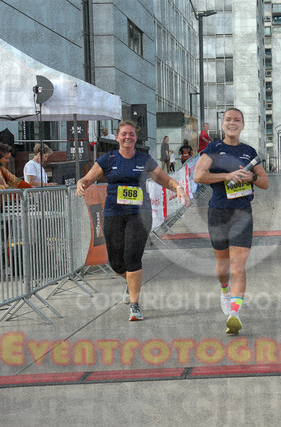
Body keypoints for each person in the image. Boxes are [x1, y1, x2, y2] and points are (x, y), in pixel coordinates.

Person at [76, 121, 190, 321]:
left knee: (132, 257)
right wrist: (81, 183)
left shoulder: (144, 159)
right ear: (117, 137)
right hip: (113, 213)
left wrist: (178, 187)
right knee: (116, 263)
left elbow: (164, 179)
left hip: (139, 214)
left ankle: (135, 305)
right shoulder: (108, 159)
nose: (127, 137)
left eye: (131, 134)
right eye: (124, 134)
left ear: (136, 138)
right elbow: (88, 178)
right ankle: (130, 282)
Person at [193, 108, 269, 335]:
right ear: (222, 124)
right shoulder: (214, 148)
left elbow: (265, 182)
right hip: (218, 212)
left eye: (237, 120)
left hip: (242, 213)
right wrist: (227, 176)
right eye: (228, 120)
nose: (232, 123)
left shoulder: (249, 152)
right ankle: (225, 290)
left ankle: (234, 314)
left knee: (238, 266)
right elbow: (198, 175)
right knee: (223, 267)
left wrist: (251, 177)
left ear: (243, 125)